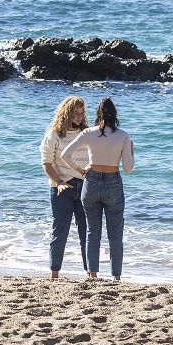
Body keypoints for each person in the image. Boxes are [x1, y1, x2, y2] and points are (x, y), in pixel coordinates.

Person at [61, 97, 134, 281]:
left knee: (92, 231)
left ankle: (92, 275)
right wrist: (130, 149)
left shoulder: (88, 133)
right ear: (115, 114)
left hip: (91, 182)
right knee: (115, 234)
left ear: (98, 114)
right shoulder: (123, 136)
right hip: (113, 184)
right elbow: (128, 168)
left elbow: (65, 154)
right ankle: (116, 277)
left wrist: (80, 170)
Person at [39, 95, 90, 279]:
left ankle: (91, 274)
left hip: (85, 187)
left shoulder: (86, 132)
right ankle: (54, 274)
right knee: (60, 231)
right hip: (62, 188)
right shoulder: (54, 134)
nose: (78, 117)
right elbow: (46, 162)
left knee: (87, 232)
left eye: (81, 113)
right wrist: (59, 183)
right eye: (75, 113)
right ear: (66, 113)